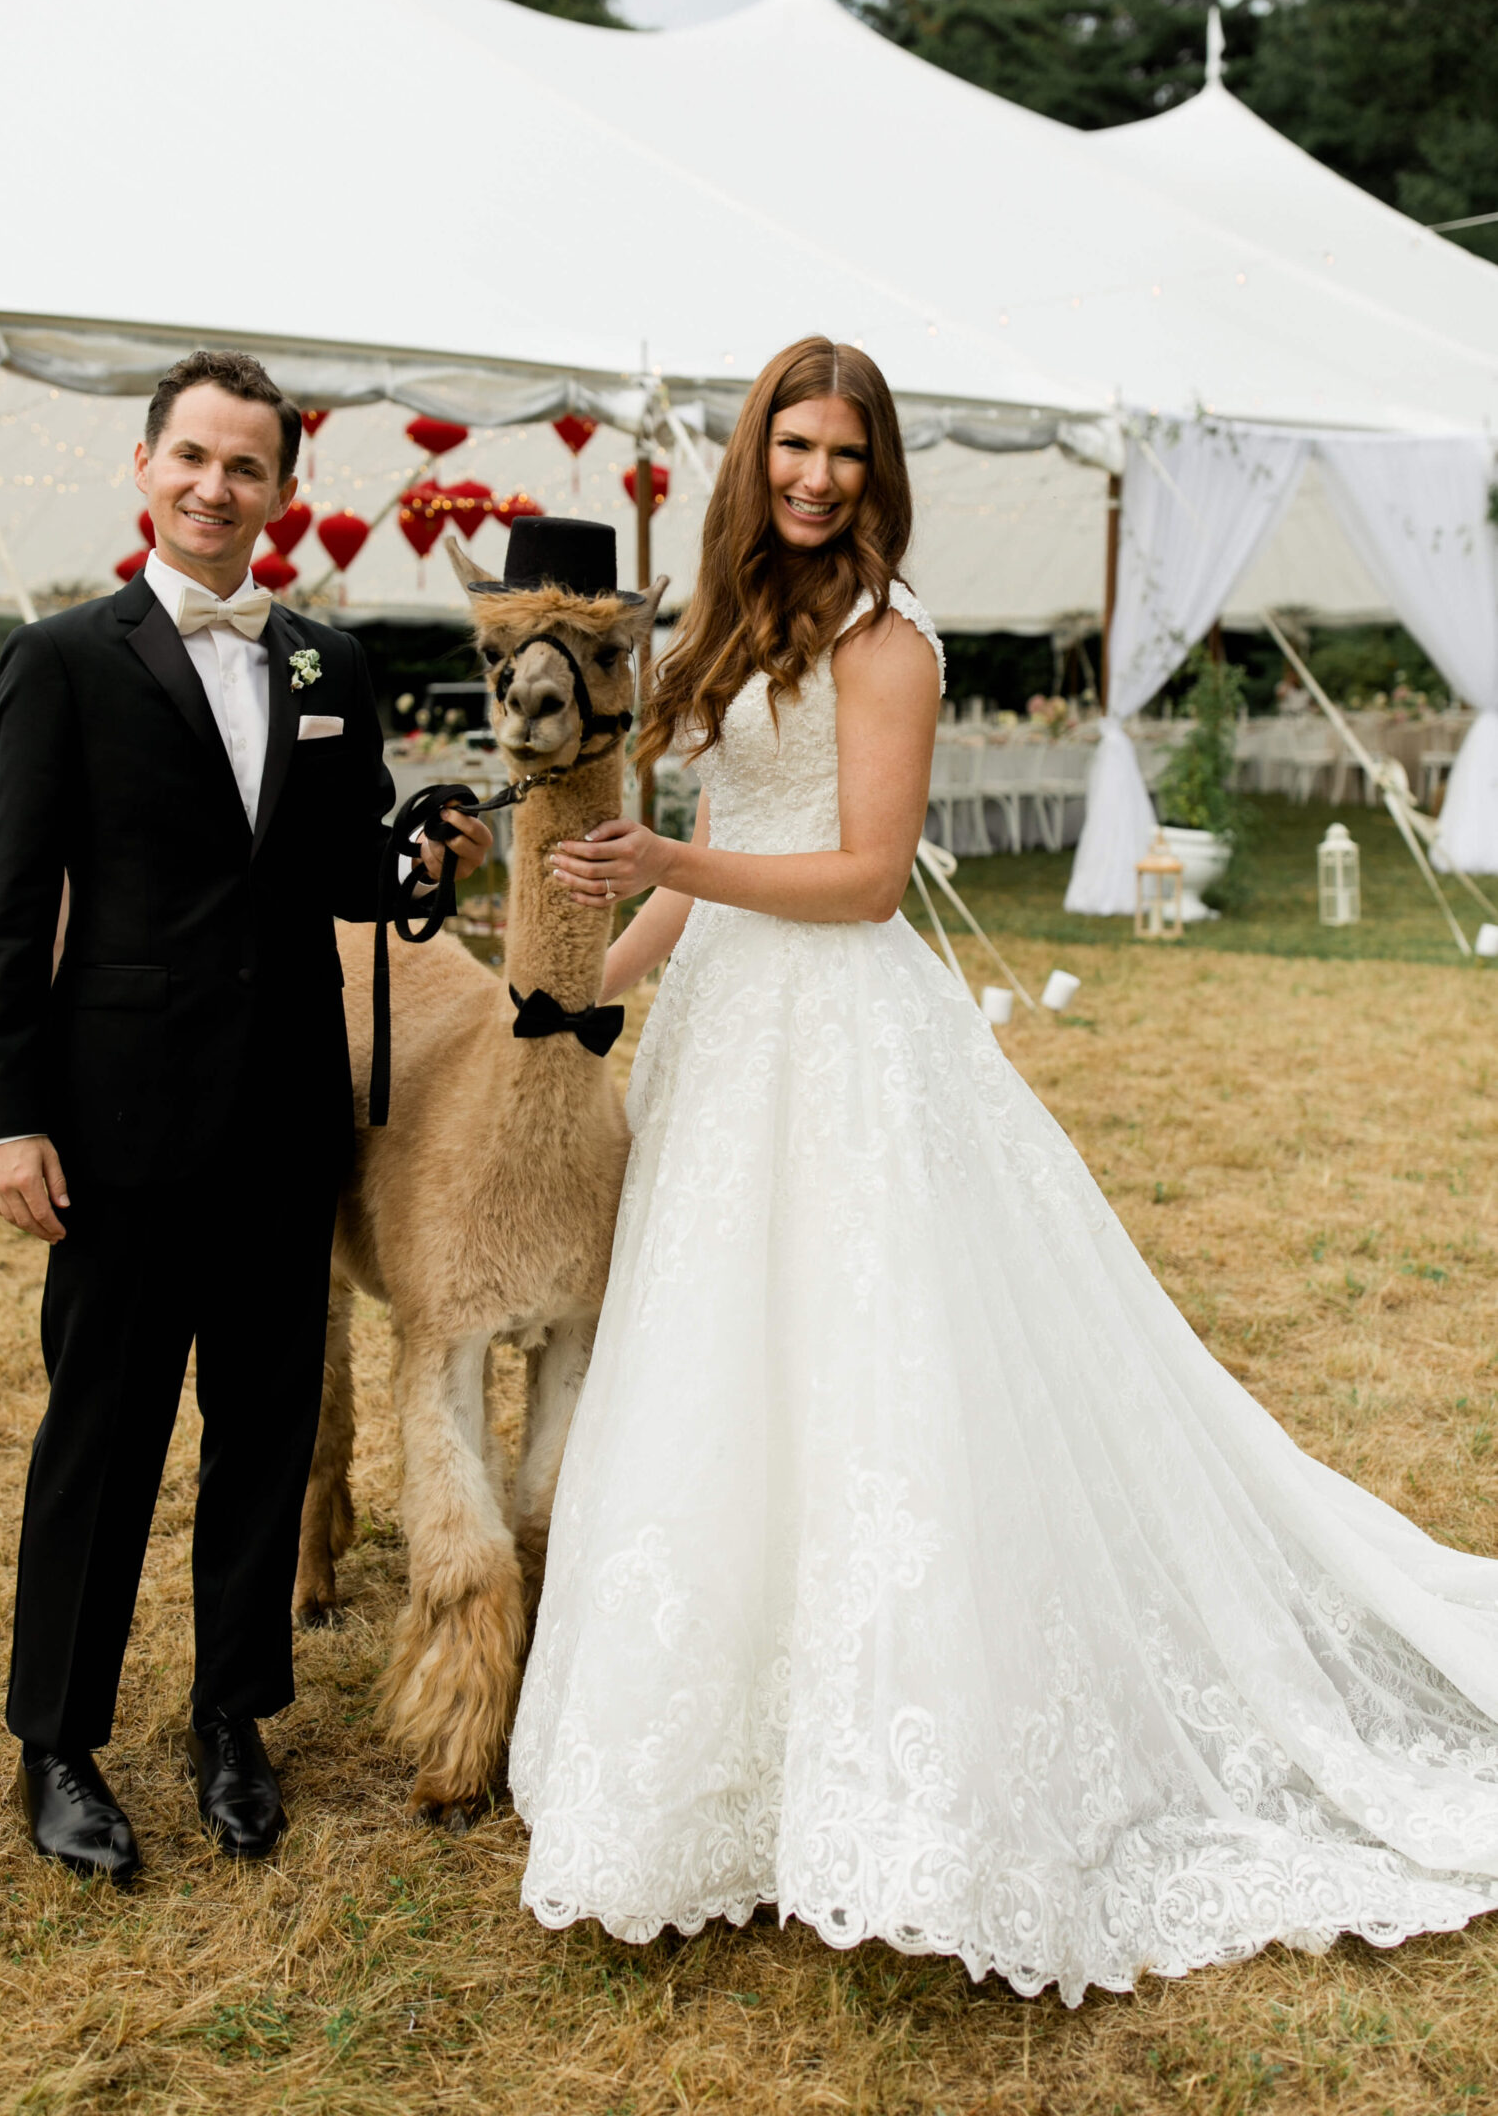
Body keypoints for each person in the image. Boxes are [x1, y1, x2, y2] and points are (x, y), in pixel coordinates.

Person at [509, 334, 1498, 2006]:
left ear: (877, 472)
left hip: (842, 1035)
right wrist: (580, 976)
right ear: (754, 460)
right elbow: (713, 866)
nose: (813, 477)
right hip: (731, 1035)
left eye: (843, 453)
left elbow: (864, 877)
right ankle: (714, 1769)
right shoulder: (730, 628)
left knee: (876, 1379)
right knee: (722, 1381)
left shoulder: (893, 644)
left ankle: (906, 1788)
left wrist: (676, 854)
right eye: (791, 448)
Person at [0, 348, 488, 1885]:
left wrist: (420, 854)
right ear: (144, 469)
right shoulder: (62, 661)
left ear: (281, 490)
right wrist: (7, 1117)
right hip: (114, 1129)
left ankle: (233, 1720)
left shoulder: (327, 664)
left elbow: (341, 872)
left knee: (265, 1432)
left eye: (245, 466)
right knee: (103, 1438)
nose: (215, 486)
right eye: (191, 456)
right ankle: (56, 1741)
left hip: (286, 1118)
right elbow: (8, 912)